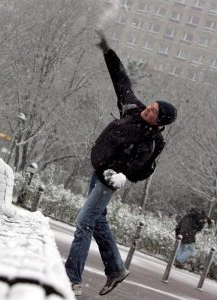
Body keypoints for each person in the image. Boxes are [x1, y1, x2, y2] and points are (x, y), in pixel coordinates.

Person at [65, 31, 178, 297]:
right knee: (98, 221)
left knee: (84, 223)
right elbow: (121, 79)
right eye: (151, 106)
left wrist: (121, 177)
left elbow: (136, 168)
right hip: (98, 173)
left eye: (153, 113)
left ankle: (72, 278)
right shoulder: (131, 108)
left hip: (108, 180)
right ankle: (115, 268)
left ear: (159, 123)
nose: (147, 111)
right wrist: (107, 51)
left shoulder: (148, 141)